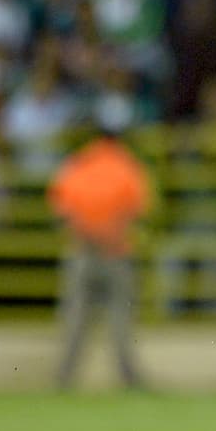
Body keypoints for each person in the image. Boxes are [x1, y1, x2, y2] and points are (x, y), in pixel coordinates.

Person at [47, 125, 151, 390]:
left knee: (75, 319)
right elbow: (138, 209)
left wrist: (87, 232)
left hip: (82, 250)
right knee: (120, 320)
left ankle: (64, 379)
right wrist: (111, 234)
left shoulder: (78, 164)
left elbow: (61, 209)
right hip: (116, 252)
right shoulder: (127, 165)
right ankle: (128, 379)